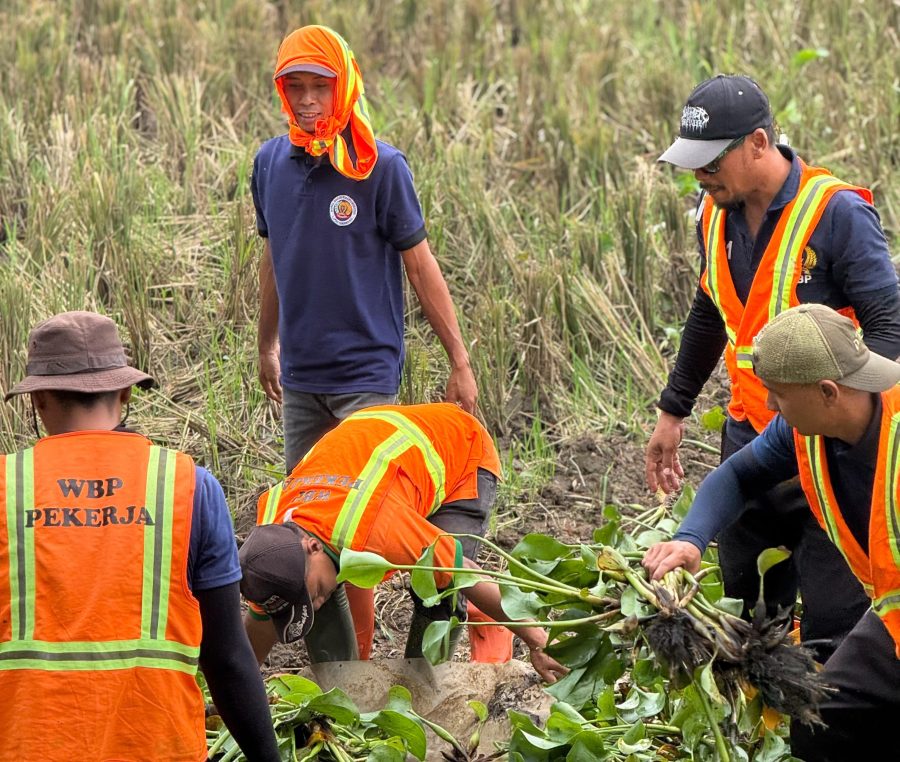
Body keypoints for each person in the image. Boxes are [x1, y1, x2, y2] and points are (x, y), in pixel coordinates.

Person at [645, 74, 900, 658]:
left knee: (835, 625)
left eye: (712, 163)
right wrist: (673, 409)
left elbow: (890, 327)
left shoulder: (836, 214)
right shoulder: (713, 214)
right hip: (754, 437)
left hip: (832, 443)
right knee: (750, 612)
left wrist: (863, 431)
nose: (699, 177)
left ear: (759, 143)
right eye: (694, 165)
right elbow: (711, 311)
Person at [252, 25, 478, 655]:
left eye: (317, 88)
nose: (305, 101)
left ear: (344, 87)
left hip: (365, 382)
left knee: (370, 524)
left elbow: (421, 266)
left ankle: (405, 653)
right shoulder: (270, 163)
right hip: (301, 381)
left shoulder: (382, 168)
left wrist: (460, 362)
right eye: (292, 88)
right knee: (311, 530)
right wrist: (266, 344)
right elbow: (273, 259)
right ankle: (344, 675)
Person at [0, 311, 279, 762]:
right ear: (126, 392)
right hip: (157, 748)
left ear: (37, 400)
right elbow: (227, 658)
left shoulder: (5, 488)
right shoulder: (189, 487)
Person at [643, 304, 900, 761]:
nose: (767, 406)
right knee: (821, 723)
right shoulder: (805, 431)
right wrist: (689, 539)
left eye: (778, 394)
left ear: (827, 391)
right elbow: (738, 476)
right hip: (893, 617)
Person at [239, 402, 560, 681]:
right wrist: (232, 698)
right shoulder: (273, 551)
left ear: (312, 546)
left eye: (316, 594)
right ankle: (343, 699)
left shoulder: (376, 524)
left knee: (439, 592)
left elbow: (464, 573)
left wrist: (536, 641)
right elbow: (259, 626)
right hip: (379, 451)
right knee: (314, 597)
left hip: (459, 455)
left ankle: (425, 693)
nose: (315, 600)